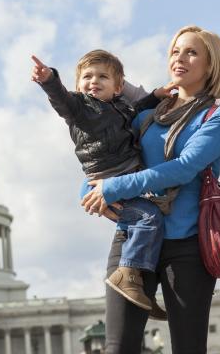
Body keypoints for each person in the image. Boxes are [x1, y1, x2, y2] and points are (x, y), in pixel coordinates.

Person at [80, 26, 220, 354]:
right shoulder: (146, 116)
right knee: (118, 347)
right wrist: (90, 189)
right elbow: (107, 155)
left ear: (211, 66)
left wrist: (113, 188)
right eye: (175, 51)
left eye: (192, 52)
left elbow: (182, 169)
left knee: (188, 347)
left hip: (187, 246)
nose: (180, 58)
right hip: (132, 239)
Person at [30, 50, 174, 314]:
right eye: (87, 76)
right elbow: (60, 99)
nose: (93, 81)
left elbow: (138, 108)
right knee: (149, 218)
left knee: (146, 223)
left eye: (102, 77)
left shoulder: (121, 107)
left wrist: (156, 96)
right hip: (108, 180)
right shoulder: (79, 109)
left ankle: (140, 286)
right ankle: (127, 273)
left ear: (118, 87)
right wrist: (49, 80)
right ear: (77, 85)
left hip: (125, 178)